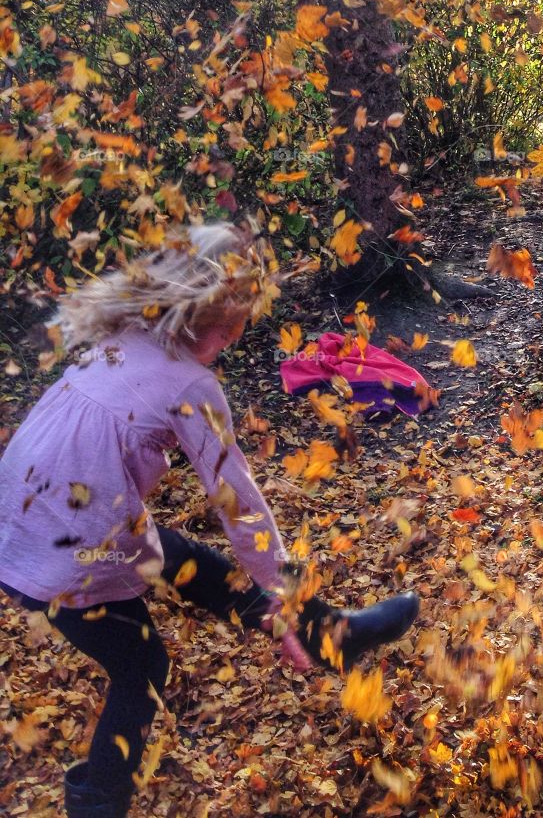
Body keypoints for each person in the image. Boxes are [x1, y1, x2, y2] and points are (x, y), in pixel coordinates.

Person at [0, 225, 419, 817]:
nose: (234, 335)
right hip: (69, 551)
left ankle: (331, 636)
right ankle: (95, 806)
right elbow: (240, 505)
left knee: (177, 556)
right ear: (212, 320)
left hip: (21, 526)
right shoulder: (191, 385)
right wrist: (282, 587)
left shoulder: (121, 338)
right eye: (233, 323)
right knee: (141, 671)